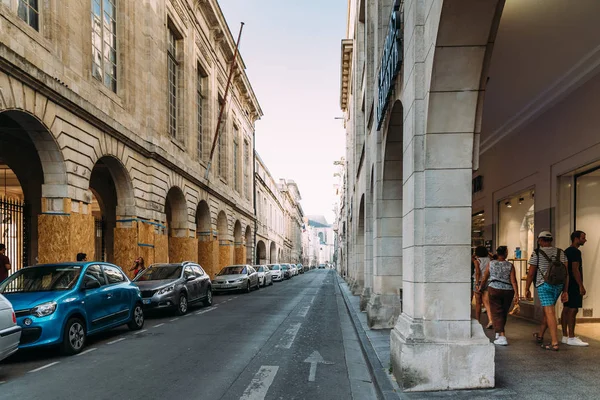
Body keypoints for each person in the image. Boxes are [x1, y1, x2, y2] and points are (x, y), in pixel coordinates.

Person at [525, 231, 568, 351]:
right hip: (558, 285)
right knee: (548, 311)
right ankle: (540, 335)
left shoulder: (537, 253)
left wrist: (527, 288)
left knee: (550, 313)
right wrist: (565, 290)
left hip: (543, 285)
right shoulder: (561, 252)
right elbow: (566, 274)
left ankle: (554, 343)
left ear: (540, 240)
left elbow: (531, 272)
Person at [479, 246, 519, 345]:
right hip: (508, 291)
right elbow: (513, 281)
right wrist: (517, 293)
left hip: (494, 289)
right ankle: (498, 332)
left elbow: (485, 277)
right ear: (506, 253)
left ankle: (502, 335)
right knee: (503, 312)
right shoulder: (510, 265)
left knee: (496, 312)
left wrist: (481, 287)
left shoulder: (491, 264)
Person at [561, 230, 589, 347]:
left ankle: (565, 336)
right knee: (573, 309)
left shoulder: (566, 251)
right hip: (573, 284)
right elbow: (575, 269)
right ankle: (571, 337)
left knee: (566, 308)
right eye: (583, 238)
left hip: (566, 284)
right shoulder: (576, 252)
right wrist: (580, 285)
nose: (585, 240)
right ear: (576, 239)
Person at [473, 246, 493, 328]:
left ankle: (478, 321)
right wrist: (488, 253)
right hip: (487, 281)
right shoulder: (489, 260)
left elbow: (478, 272)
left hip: (479, 281)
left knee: (478, 303)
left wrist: (477, 283)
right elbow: (493, 256)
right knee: (487, 302)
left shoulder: (477, 261)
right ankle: (490, 320)